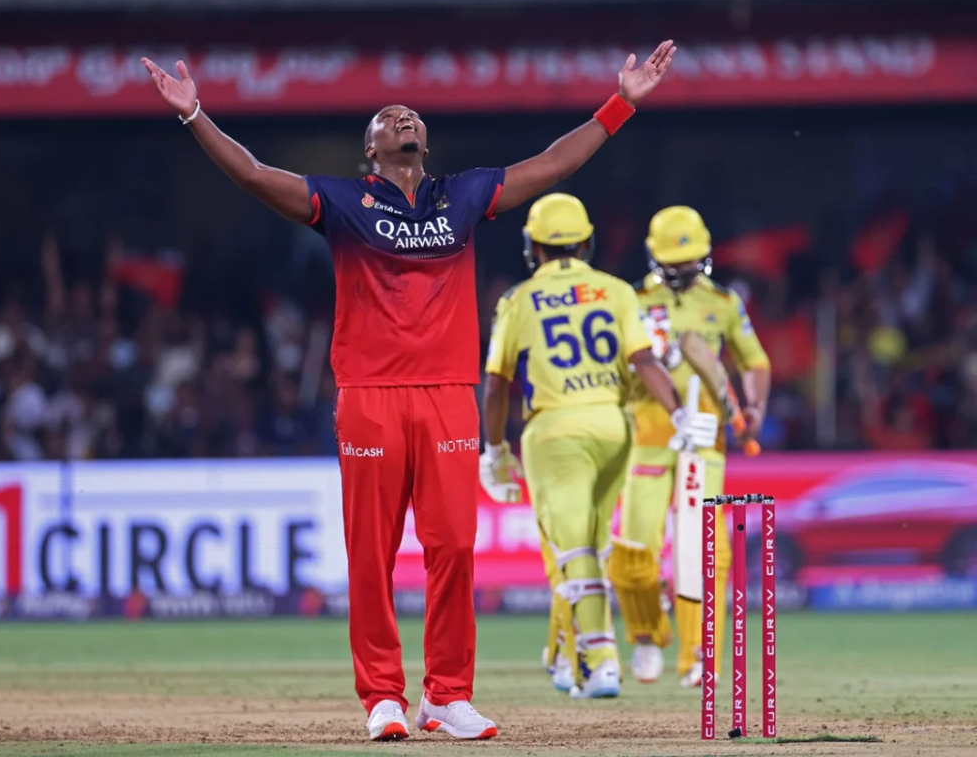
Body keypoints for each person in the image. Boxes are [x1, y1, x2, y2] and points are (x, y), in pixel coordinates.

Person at [141, 41, 676, 740]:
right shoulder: (342, 201)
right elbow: (253, 175)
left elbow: (550, 165)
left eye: (412, 115)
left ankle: (447, 695)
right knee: (372, 553)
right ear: (371, 149)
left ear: (425, 142)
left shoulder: (464, 195)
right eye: (389, 115)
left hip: (448, 393)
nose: (404, 117)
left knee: (453, 546)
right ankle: (383, 696)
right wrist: (194, 116)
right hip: (370, 394)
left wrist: (621, 105)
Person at [479, 194, 717, 699]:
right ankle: (563, 651)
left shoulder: (519, 299)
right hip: (614, 426)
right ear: (586, 242)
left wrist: (494, 449)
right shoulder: (617, 291)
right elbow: (645, 362)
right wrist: (679, 412)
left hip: (554, 431)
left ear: (533, 247)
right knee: (592, 545)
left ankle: (598, 658)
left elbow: (497, 384)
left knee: (571, 550)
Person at [609, 206, 771, 687]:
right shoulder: (631, 300)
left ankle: (700, 653)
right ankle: (646, 632)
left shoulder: (723, 302)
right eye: (672, 265)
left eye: (689, 263)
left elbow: (754, 361)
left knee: (706, 547)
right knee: (635, 550)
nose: (681, 272)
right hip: (647, 434)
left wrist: (754, 408)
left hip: (704, 437)